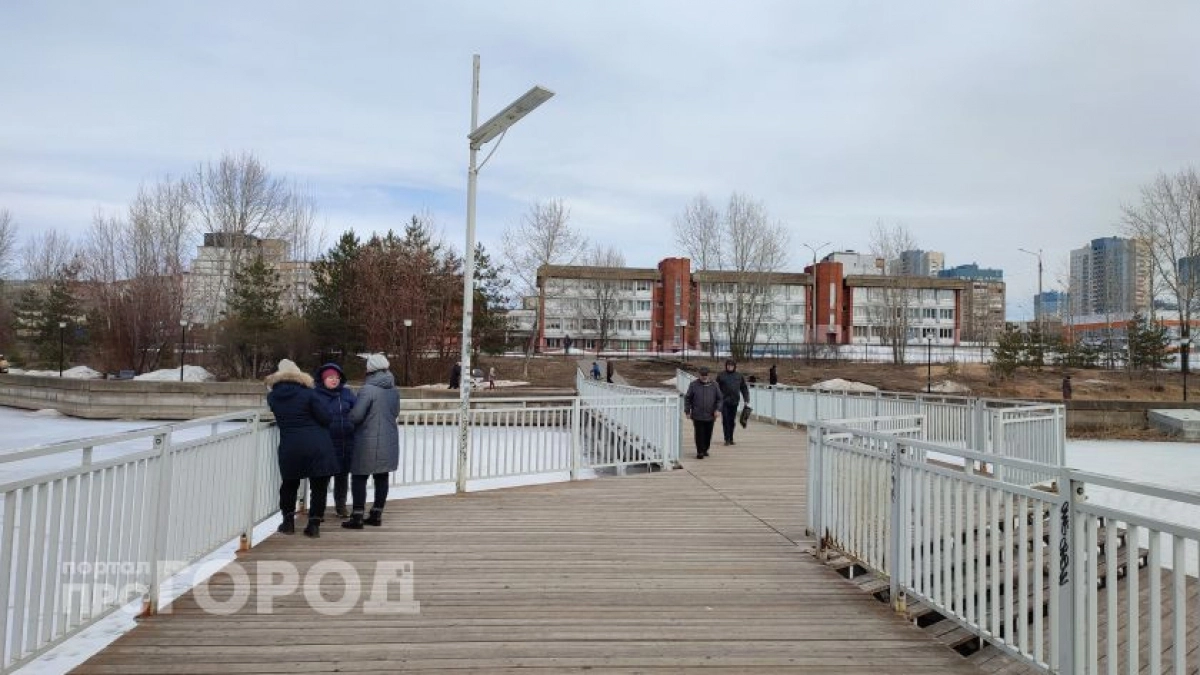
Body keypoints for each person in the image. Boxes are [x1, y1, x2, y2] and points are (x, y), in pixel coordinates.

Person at [265, 359, 340, 539]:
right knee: (319, 486)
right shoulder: (309, 394)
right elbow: (325, 418)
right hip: (317, 445)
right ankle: (313, 525)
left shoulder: (272, 397)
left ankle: (288, 522)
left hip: (290, 445)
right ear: (299, 375)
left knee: (289, 484)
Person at [343, 353, 401, 529]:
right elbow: (395, 412)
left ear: (370, 369)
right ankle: (376, 514)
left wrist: (348, 415)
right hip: (388, 439)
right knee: (381, 477)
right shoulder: (393, 390)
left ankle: (357, 516)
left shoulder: (368, 389)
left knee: (359, 477)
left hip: (367, 440)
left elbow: (357, 415)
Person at [313, 362, 356, 519]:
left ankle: (341, 506)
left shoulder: (347, 394)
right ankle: (319, 509)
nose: (334, 380)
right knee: (322, 478)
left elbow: (356, 411)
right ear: (323, 379)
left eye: (336, 377)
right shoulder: (315, 395)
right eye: (330, 377)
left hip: (345, 443)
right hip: (325, 443)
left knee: (342, 477)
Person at [684, 366, 722, 459]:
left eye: (705, 375)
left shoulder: (714, 385)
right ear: (699, 375)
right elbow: (688, 398)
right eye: (702, 375)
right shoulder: (693, 385)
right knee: (699, 433)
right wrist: (687, 411)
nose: (704, 377)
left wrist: (718, 409)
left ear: (708, 375)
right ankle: (700, 451)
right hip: (697, 414)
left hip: (711, 414)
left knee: (708, 433)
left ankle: (705, 449)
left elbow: (720, 399)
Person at [716, 359, 750, 446]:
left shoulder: (738, 376)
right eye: (728, 365)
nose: (730, 367)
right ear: (726, 366)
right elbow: (716, 388)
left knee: (732, 420)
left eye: (731, 365)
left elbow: (743, 388)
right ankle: (726, 439)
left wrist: (746, 399)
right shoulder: (721, 375)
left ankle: (731, 438)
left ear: (734, 366)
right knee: (726, 420)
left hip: (735, 401)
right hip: (724, 401)